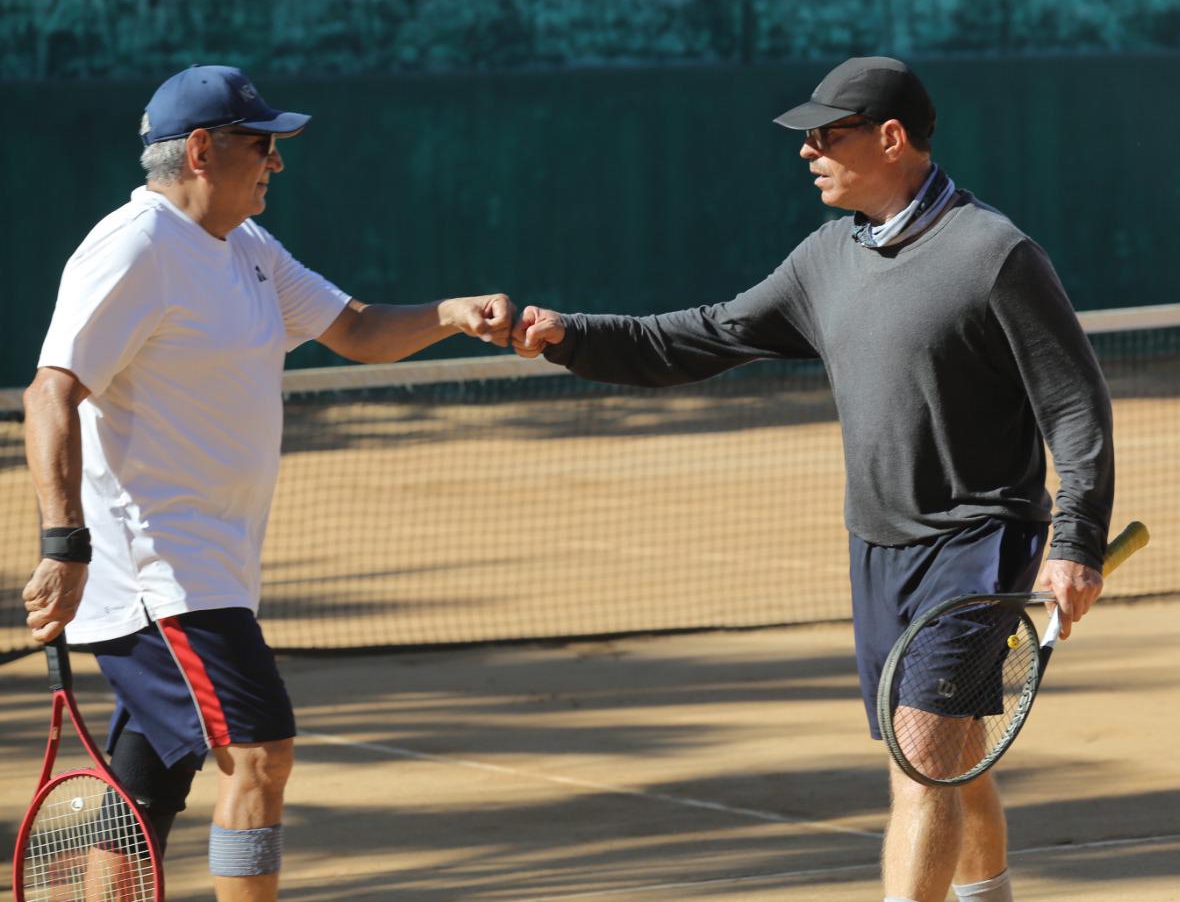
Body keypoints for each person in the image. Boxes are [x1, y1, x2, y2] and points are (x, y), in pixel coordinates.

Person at [512, 56, 1115, 902]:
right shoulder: (828, 257)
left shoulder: (994, 255)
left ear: (891, 138)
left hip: (977, 545)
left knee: (922, 762)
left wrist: (1076, 540)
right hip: (877, 548)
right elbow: (700, 336)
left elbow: (1076, 408)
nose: (808, 151)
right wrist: (568, 334)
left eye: (827, 135)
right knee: (949, 757)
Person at [20, 65, 514, 902]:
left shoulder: (244, 247)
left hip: (214, 566)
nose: (276, 162)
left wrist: (453, 314)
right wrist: (64, 545)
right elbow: (51, 389)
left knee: (144, 787)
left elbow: (353, 328)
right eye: (264, 145)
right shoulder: (135, 247)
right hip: (159, 574)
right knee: (259, 752)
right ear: (204, 150)